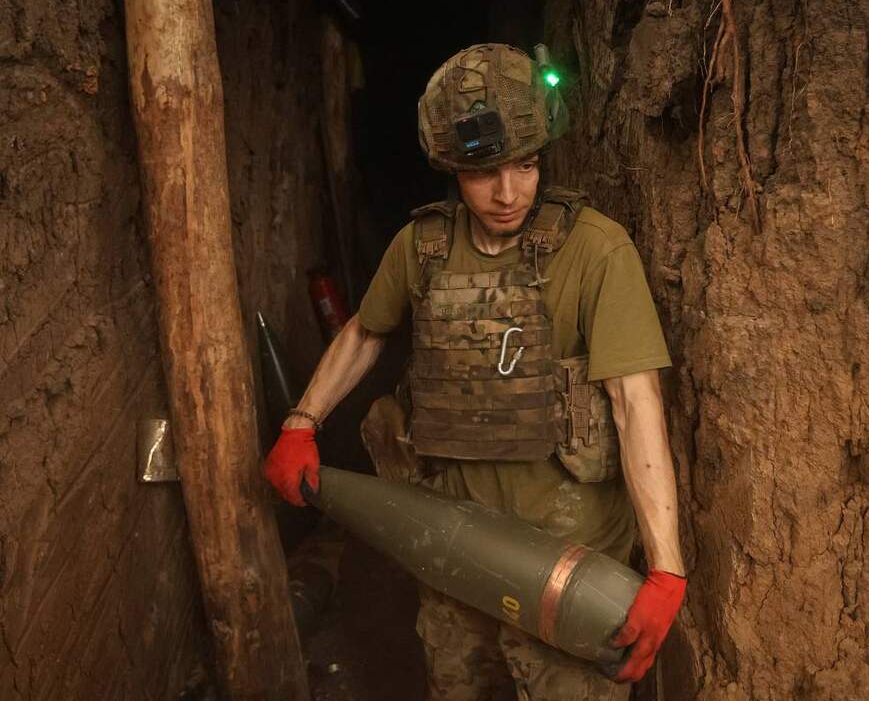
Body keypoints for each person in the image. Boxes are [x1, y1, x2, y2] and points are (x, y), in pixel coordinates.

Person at [264, 43, 686, 701]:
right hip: (456, 548)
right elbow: (366, 331)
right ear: (452, 168)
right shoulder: (423, 247)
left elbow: (636, 402)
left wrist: (665, 568)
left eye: (526, 166)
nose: (509, 193)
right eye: (484, 173)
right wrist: (302, 422)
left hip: (568, 562)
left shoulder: (597, 251)